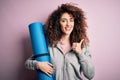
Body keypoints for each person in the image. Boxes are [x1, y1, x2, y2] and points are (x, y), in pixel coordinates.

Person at [25, 3, 95, 80]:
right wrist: (38, 65)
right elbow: (27, 63)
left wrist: (80, 53)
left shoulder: (82, 45)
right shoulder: (49, 44)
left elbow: (90, 75)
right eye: (64, 21)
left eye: (71, 20)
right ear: (58, 23)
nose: (68, 24)